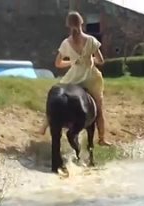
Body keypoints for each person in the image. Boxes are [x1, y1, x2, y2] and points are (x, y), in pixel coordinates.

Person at [39, 11, 111, 146]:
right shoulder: (90, 40)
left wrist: (72, 62)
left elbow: (57, 64)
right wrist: (88, 60)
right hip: (90, 76)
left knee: (55, 97)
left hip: (73, 77)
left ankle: (44, 125)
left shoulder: (66, 43)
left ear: (68, 25)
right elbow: (101, 60)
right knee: (99, 109)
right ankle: (102, 138)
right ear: (82, 23)